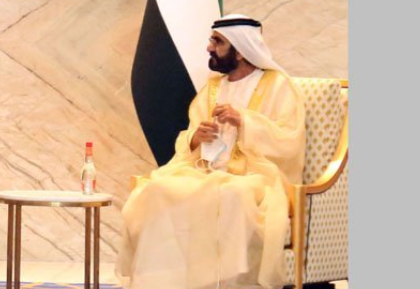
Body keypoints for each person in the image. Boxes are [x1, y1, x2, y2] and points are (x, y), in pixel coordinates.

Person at [116, 15, 306, 289]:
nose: (209, 47)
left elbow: (289, 139)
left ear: (240, 50)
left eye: (217, 42)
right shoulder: (213, 88)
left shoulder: (278, 86)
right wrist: (196, 138)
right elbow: (190, 135)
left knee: (232, 193)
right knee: (156, 189)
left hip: (256, 176)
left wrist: (244, 121)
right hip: (207, 170)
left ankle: (229, 283)